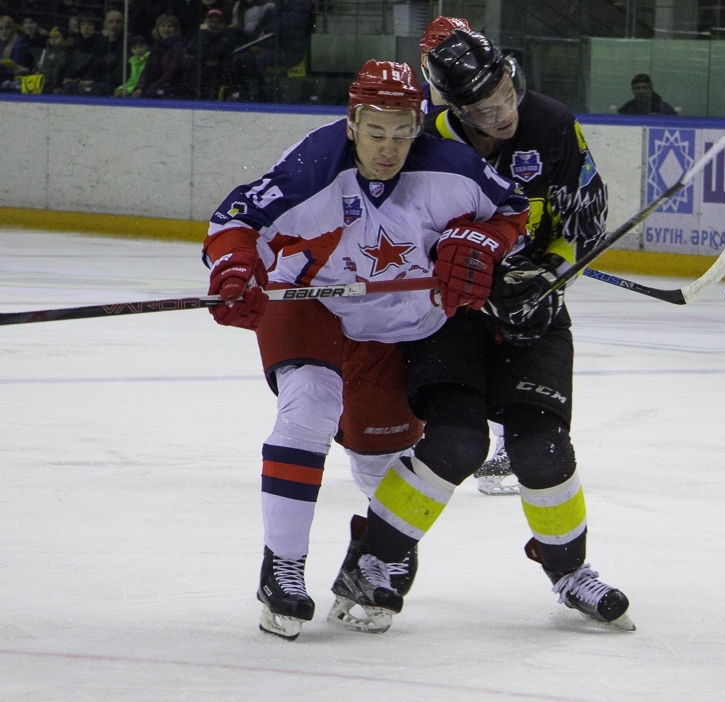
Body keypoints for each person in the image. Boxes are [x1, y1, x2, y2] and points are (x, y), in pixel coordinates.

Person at [201, 59, 528, 641]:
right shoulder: (312, 167)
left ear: (419, 126)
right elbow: (234, 222)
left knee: (381, 462)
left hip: (395, 322)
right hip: (310, 301)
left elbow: (512, 212)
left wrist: (478, 239)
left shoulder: (452, 168)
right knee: (309, 404)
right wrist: (235, 267)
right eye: (375, 132)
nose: (388, 148)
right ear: (352, 123)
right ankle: (282, 569)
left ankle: (375, 556)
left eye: (402, 133)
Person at [326, 29, 632, 636]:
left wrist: (547, 276)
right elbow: (398, 234)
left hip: (536, 308)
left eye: (507, 95)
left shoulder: (552, 124)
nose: (504, 114)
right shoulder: (427, 145)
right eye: (485, 111)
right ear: (454, 110)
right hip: (452, 314)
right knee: (457, 441)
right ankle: (373, 560)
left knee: (542, 448)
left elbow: (587, 220)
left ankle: (570, 571)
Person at [417, 15, 470, 112]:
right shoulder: (410, 100)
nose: (452, 66)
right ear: (425, 60)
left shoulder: (483, 104)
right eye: (444, 58)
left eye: (461, 58)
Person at [186, 7, 238, 99]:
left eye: (218, 22)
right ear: (205, 22)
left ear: (223, 24)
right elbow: (192, 51)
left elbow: (215, 54)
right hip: (199, 74)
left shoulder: (228, 36)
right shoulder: (199, 35)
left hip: (220, 75)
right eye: (211, 21)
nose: (214, 24)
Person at [133, 14, 185, 98]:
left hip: (172, 89)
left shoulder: (178, 46)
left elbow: (171, 71)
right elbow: (147, 70)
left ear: (176, 29)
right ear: (158, 28)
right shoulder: (156, 46)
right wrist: (140, 87)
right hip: (156, 88)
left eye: (170, 26)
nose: (166, 29)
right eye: (163, 26)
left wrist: (153, 87)